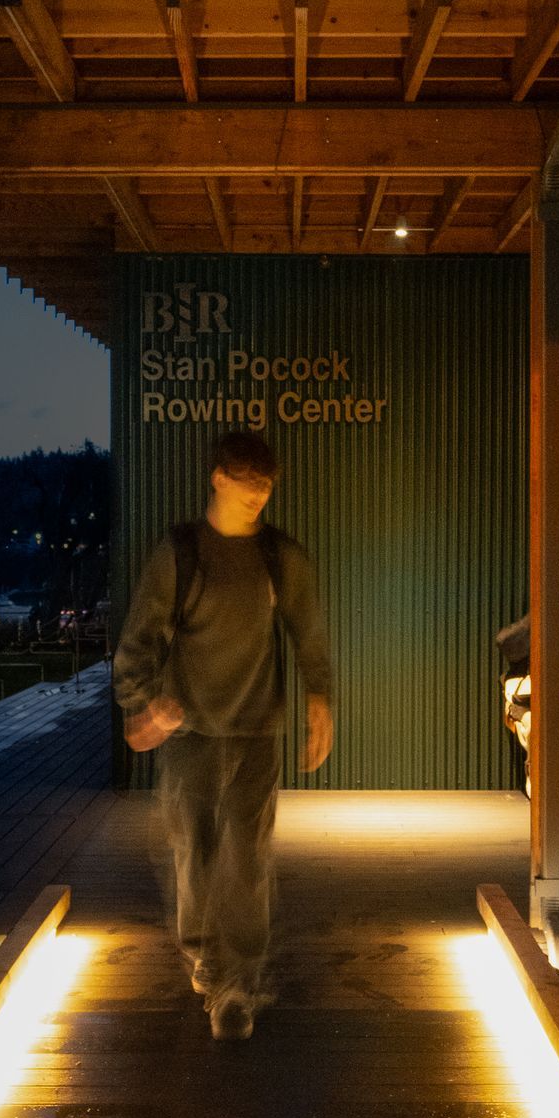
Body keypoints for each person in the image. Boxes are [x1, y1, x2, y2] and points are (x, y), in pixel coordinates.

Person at [112, 429, 333, 1041]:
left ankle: (236, 983)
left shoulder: (280, 556)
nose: (258, 495)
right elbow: (141, 635)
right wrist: (141, 703)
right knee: (196, 853)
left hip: (257, 727)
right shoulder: (181, 553)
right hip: (191, 731)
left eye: (266, 485)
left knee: (248, 856)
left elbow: (307, 631)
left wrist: (320, 699)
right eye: (247, 483)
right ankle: (204, 959)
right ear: (218, 477)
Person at [496, 596, 559, 786]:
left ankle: (538, 769)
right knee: (531, 722)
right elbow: (503, 641)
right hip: (524, 698)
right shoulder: (528, 633)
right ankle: (542, 777)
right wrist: (537, 617)